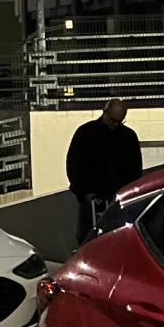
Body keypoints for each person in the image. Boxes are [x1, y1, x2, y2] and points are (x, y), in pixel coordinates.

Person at [66, 99, 142, 244]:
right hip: (93, 200)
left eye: (119, 121)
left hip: (117, 200)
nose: (115, 124)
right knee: (89, 239)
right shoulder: (85, 133)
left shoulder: (128, 137)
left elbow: (135, 170)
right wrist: (85, 193)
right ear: (104, 112)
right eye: (113, 120)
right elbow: (74, 166)